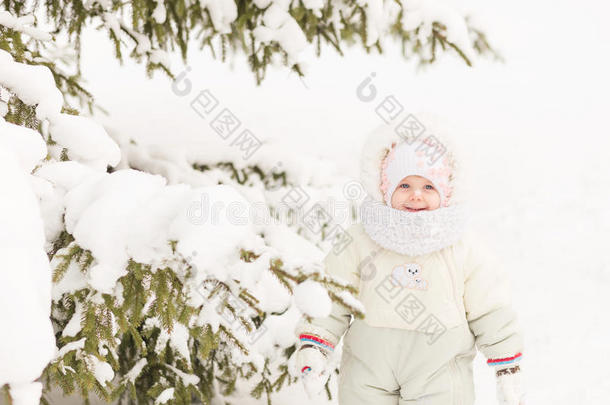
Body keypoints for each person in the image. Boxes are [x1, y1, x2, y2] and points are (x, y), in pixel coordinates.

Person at [293, 114, 526, 405]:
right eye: (404, 186)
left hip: (438, 372)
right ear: (385, 189)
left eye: (428, 187)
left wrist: (507, 365)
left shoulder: (463, 247)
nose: (416, 195)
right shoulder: (359, 240)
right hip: (367, 370)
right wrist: (316, 345)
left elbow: (489, 307)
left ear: (447, 192)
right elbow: (332, 296)